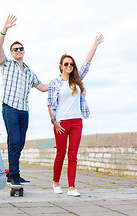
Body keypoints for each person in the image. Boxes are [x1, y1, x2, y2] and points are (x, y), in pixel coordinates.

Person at [48, 35, 104, 197]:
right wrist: (54, 121)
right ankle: (56, 183)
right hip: (61, 122)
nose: (69, 66)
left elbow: (87, 63)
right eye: (66, 64)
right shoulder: (55, 83)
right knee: (60, 154)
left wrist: (95, 44)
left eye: (71, 64)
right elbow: (50, 104)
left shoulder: (77, 80)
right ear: (61, 66)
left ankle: (71, 187)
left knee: (73, 156)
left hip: (77, 121)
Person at [0, 15, 48, 187]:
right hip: (10, 108)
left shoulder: (29, 72)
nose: (18, 51)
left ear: (24, 51)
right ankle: (14, 174)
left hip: (24, 111)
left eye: (20, 49)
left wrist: (62, 82)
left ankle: (12, 171)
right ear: (11, 53)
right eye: (15, 49)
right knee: (14, 140)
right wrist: (5, 29)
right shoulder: (7, 64)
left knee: (20, 143)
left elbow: (41, 87)